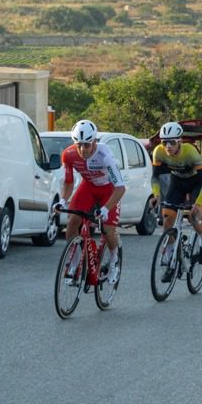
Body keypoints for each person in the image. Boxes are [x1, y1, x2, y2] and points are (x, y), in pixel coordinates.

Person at [53, 119, 126, 284]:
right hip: (88, 187)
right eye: (78, 145)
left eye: (86, 145)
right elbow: (69, 182)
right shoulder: (68, 155)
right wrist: (63, 201)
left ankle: (114, 261)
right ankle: (74, 263)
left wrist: (106, 209)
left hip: (109, 190)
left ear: (94, 141)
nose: (82, 149)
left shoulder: (105, 156)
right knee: (72, 221)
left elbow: (120, 188)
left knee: (108, 229)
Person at [151, 121, 202, 282]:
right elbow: (155, 177)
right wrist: (156, 195)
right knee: (167, 220)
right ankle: (171, 260)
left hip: (196, 183)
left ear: (179, 141)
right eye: (164, 142)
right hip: (177, 183)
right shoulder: (158, 152)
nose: (168, 146)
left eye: (172, 142)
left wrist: (198, 203)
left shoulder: (190, 152)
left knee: (193, 217)